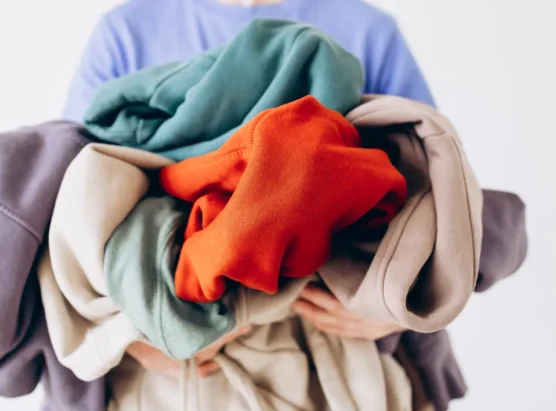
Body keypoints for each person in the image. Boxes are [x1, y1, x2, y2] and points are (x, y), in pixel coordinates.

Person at [64, 0, 433, 376]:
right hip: (159, 372)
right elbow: (70, 196)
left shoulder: (367, 30)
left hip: (334, 352)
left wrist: (400, 310)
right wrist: (124, 342)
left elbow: (434, 188)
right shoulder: (127, 32)